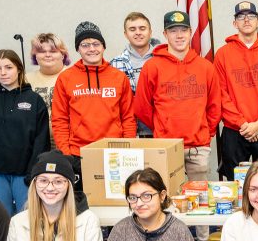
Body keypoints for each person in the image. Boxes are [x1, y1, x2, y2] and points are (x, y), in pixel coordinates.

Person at [135, 10, 222, 241]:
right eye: (173, 31)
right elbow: (142, 107)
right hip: (167, 148)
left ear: (190, 33)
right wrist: (164, 130)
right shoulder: (153, 66)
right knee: (168, 198)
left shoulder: (205, 66)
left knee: (200, 199)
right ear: (165, 35)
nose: (179, 35)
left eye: (183, 30)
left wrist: (203, 133)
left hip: (198, 145)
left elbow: (215, 107)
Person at [51, 21, 136, 187]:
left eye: (96, 44)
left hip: (114, 153)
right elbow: (59, 120)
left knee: (114, 204)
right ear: (78, 49)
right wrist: (66, 153)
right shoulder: (66, 78)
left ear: (103, 47)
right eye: (85, 45)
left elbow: (128, 118)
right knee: (81, 205)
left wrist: (127, 148)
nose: (91, 49)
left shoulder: (118, 77)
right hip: (78, 154)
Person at [0, 50, 50, 216]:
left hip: (25, 175)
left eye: (8, 67)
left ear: (18, 69)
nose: (3, 73)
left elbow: (42, 139)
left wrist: (34, 171)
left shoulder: (34, 99)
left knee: (28, 219)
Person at [213, 1, 258, 178]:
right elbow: (221, 94)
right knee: (235, 185)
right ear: (234, 23)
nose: (246, 20)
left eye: (251, 16)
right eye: (241, 17)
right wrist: (243, 125)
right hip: (235, 131)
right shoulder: (222, 54)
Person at [110, 12, 162, 136]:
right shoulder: (115, 64)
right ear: (125, 34)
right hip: (130, 132)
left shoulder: (163, 59)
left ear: (150, 32)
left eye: (142, 28)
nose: (138, 32)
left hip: (160, 130)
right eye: (132, 29)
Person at [25, 33, 71, 121]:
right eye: (42, 51)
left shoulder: (74, 76)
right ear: (35, 56)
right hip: (37, 134)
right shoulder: (26, 79)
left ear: (63, 55)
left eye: (53, 51)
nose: (47, 55)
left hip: (67, 134)